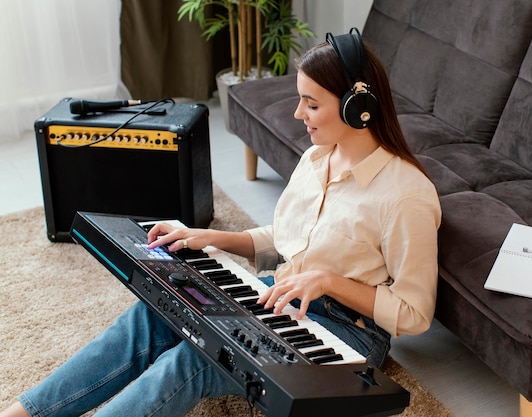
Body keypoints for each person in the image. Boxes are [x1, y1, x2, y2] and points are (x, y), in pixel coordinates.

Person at [0, 29, 441, 417]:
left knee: (196, 360)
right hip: (276, 298)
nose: (297, 114)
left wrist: (329, 282)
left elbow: (415, 314)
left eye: (310, 103)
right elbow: (287, 240)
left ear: (356, 108)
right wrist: (214, 238)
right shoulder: (316, 159)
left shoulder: (405, 195)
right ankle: (22, 412)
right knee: (153, 315)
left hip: (345, 333)